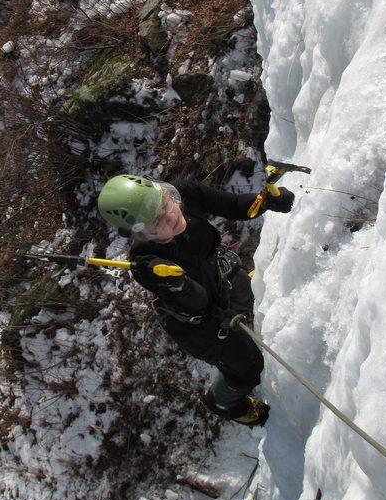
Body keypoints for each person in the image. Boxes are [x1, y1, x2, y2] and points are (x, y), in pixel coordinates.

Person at [97, 173, 294, 426]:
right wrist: (177, 284)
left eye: (166, 202)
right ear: (139, 234)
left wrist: (264, 202)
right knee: (248, 367)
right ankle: (224, 402)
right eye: (157, 221)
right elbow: (198, 302)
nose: (171, 216)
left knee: (246, 290)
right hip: (202, 325)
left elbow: (232, 205)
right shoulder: (148, 264)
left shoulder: (185, 194)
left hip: (222, 277)